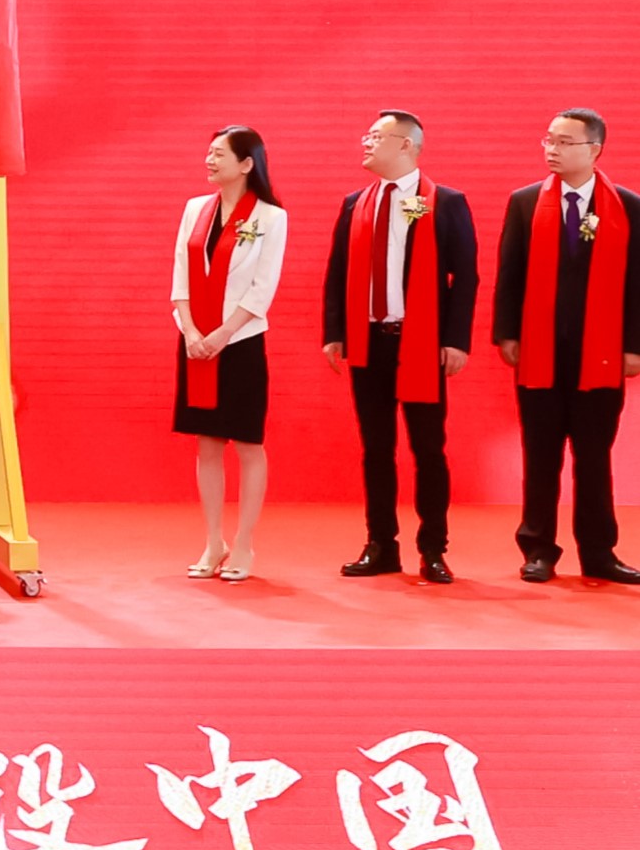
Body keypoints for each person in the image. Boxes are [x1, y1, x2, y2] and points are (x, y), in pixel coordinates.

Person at [321, 111, 477, 584]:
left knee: (428, 448)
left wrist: (455, 340)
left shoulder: (445, 202)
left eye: (375, 136)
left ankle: (433, 549)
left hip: (422, 341)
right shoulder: (355, 203)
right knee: (376, 448)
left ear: (406, 145)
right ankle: (381, 545)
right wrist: (334, 332)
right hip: (370, 340)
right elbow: (337, 272)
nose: (365, 143)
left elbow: (466, 276)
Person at [492, 108, 640, 584]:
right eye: (548, 140)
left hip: (601, 353)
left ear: (594, 149)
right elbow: (509, 273)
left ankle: (599, 553)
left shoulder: (629, 206)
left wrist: (634, 345)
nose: (552, 150)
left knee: (594, 458)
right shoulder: (525, 202)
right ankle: (538, 549)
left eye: (564, 142)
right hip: (540, 351)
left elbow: (637, 282)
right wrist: (507, 333)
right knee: (541, 455)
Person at [171, 126, 287, 583]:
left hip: (240, 342)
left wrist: (222, 334)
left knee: (248, 444)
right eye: (209, 152)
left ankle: (243, 543)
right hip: (195, 342)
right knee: (207, 444)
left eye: (219, 153)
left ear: (246, 164)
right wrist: (191, 331)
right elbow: (181, 275)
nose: (209, 159)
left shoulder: (271, 217)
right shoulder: (194, 209)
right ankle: (213, 541)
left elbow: (262, 289)